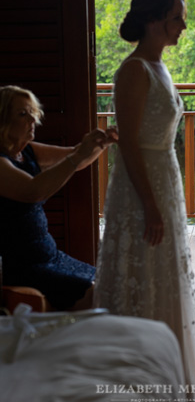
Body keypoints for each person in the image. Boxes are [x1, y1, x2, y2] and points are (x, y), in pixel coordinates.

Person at [94, 0, 195, 401]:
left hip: (166, 178)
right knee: (141, 265)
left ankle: (168, 367)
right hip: (142, 189)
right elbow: (131, 146)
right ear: (154, 20)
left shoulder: (160, 67)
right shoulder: (133, 70)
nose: (183, 25)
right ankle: (133, 374)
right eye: (178, 17)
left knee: (165, 272)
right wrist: (151, 208)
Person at [0, 85, 118, 310]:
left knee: (109, 281)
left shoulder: (26, 151)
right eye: (22, 114)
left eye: (32, 113)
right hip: (24, 266)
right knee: (95, 292)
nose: (32, 120)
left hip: (49, 255)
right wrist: (78, 155)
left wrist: (101, 144)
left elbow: (75, 157)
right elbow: (33, 191)